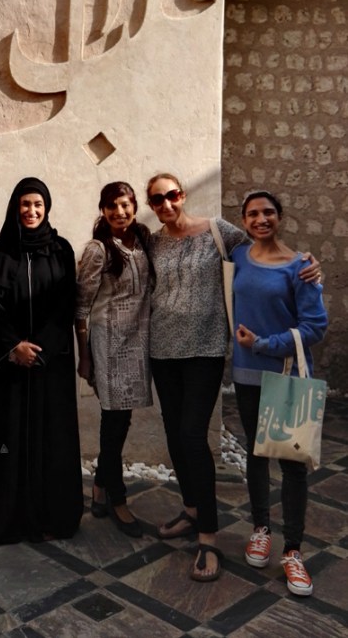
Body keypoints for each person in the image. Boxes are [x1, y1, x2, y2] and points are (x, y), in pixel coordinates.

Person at [146, 172, 320, 583]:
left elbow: (307, 309)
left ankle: (248, 541)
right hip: (193, 360)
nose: (167, 203)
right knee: (242, 451)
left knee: (280, 459)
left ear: (183, 195)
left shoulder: (221, 234)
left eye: (172, 195)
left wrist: (311, 264)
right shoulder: (157, 242)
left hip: (241, 360)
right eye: (157, 199)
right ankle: (223, 519)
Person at [0, 177, 83, 543]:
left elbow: (67, 303)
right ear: (15, 207)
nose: (31, 211)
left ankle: (52, 515)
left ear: (46, 208)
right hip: (8, 366)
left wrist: (42, 348)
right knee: (5, 439)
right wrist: (13, 345)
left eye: (38, 205)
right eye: (25, 204)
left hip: (50, 365)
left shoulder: (61, 250)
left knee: (52, 437)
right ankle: (4, 515)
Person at [233, 190, 327, 597]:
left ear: (280, 216)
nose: (261, 219)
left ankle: (292, 550)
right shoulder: (237, 256)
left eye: (268, 212)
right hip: (245, 375)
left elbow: (315, 328)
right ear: (243, 219)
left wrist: (263, 344)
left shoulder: (301, 266)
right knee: (256, 453)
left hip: (285, 375)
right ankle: (260, 529)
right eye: (253, 213)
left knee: (290, 464)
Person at [75, 181, 153, 538]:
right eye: (112, 206)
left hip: (138, 342)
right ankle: (117, 497)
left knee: (122, 421)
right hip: (108, 343)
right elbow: (81, 305)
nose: (119, 212)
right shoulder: (97, 250)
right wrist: (84, 355)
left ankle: (100, 486)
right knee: (114, 419)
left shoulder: (145, 240)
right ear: (103, 211)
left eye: (125, 205)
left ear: (134, 206)